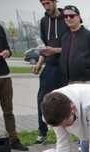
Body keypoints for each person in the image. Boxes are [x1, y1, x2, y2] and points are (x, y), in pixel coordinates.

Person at [0, 16, 27, 151]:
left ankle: (13, 140)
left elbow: (7, 48)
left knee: (9, 111)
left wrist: (8, 52)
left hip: (4, 75)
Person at [34, 0, 68, 144]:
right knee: (42, 99)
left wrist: (55, 50)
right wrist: (39, 63)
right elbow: (44, 47)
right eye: (43, 4)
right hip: (50, 67)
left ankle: (78, 134)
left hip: (66, 67)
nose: (46, 6)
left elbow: (73, 46)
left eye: (48, 3)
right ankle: (42, 133)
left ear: (55, 1)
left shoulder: (67, 18)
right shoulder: (44, 21)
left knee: (69, 100)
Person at [59, 5, 90, 84]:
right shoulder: (65, 37)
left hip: (86, 81)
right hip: (68, 82)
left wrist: (82, 63)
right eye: (65, 16)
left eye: (71, 16)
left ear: (79, 17)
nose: (68, 18)